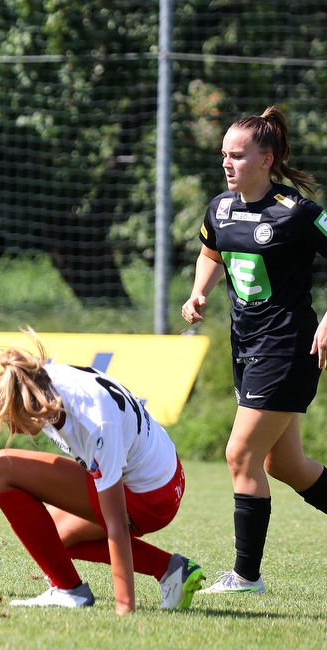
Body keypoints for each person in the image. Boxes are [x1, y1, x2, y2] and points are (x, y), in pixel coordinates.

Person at [0, 331, 205, 614]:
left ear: (31, 409)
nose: (10, 426)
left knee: (1, 467)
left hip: (152, 497)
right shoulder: (29, 383)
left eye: (12, 420)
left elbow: (116, 523)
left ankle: (69, 591)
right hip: (164, 474)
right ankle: (170, 571)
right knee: (53, 541)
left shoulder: (92, 422)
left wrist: (124, 608)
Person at [181, 106, 327, 594]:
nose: (227, 163)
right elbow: (211, 251)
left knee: (240, 454)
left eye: (238, 156)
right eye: (224, 154)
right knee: (283, 465)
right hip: (247, 347)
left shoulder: (296, 212)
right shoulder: (221, 208)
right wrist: (199, 289)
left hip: (287, 347)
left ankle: (246, 577)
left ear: (266, 160)